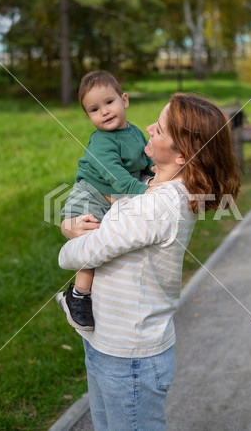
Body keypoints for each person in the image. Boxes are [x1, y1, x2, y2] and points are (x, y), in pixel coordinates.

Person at [58, 93, 242, 431]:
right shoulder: (152, 186)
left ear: (183, 153)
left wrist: (67, 232)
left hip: (128, 357)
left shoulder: (158, 206)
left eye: (158, 129)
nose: (147, 129)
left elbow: (78, 255)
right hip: (106, 342)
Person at [56, 70, 155, 331]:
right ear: (88, 116)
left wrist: (156, 171)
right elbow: (119, 179)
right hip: (89, 197)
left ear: (125, 100)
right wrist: (145, 191)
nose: (104, 112)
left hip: (108, 197)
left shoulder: (132, 131)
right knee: (92, 244)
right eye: (94, 109)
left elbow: (146, 159)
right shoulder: (101, 142)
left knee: (104, 247)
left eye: (109, 102)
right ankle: (77, 296)